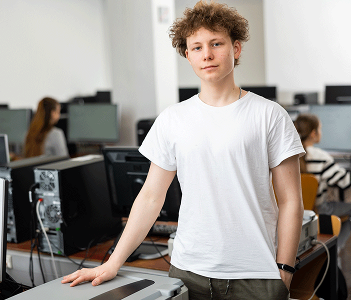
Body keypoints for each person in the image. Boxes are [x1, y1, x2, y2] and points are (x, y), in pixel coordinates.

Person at [62, 2, 304, 299]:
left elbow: (291, 201)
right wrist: (114, 263)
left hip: (257, 274)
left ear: (236, 49)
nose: (208, 54)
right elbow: (150, 197)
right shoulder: (172, 119)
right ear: (188, 55)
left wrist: (285, 271)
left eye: (217, 44)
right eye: (197, 47)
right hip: (189, 272)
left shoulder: (269, 115)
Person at [294, 113, 351, 250]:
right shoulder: (320, 156)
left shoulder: (290, 154)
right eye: (320, 129)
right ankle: (334, 250)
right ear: (313, 133)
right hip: (318, 210)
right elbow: (345, 182)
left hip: (297, 212)